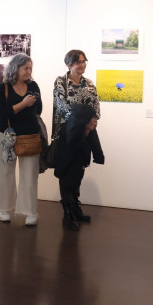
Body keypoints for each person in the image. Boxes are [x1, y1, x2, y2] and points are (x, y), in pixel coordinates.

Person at [52, 49, 104, 230]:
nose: (82, 65)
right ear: (68, 64)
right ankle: (67, 214)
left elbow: (96, 107)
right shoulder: (61, 82)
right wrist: (83, 123)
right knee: (67, 173)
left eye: (84, 61)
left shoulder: (89, 83)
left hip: (87, 133)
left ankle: (76, 209)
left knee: (79, 171)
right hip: (68, 134)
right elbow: (62, 108)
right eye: (78, 62)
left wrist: (91, 123)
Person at [0, 54, 42, 226]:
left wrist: (18, 108)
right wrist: (23, 104)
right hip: (6, 136)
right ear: (16, 68)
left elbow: (39, 109)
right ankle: (4, 209)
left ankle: (30, 212)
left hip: (29, 136)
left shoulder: (33, 85)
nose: (29, 72)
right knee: (5, 173)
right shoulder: (4, 88)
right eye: (26, 68)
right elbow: (2, 113)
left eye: (30, 68)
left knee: (29, 176)